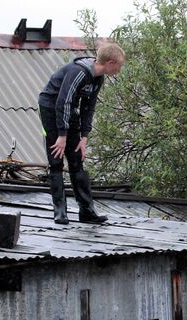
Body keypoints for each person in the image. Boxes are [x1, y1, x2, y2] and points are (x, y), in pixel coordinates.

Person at [38, 42, 125, 224]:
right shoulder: (79, 72)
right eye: (119, 65)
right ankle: (60, 211)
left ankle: (87, 210)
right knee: (56, 158)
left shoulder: (98, 78)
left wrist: (84, 137)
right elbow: (63, 101)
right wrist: (62, 135)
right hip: (51, 108)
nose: (120, 69)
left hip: (69, 111)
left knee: (76, 158)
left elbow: (88, 107)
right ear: (110, 63)